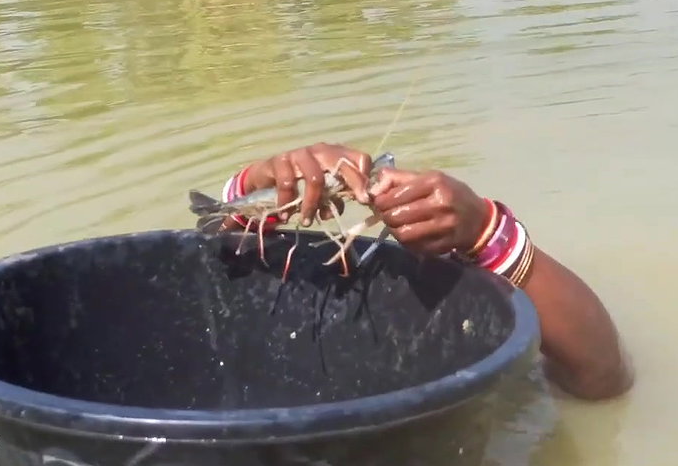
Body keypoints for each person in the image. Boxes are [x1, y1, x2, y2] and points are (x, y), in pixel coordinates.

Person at [222, 142, 634, 402]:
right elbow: (206, 289)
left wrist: (486, 233)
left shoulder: (455, 316)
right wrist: (252, 192)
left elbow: (601, 376)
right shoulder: (238, 347)